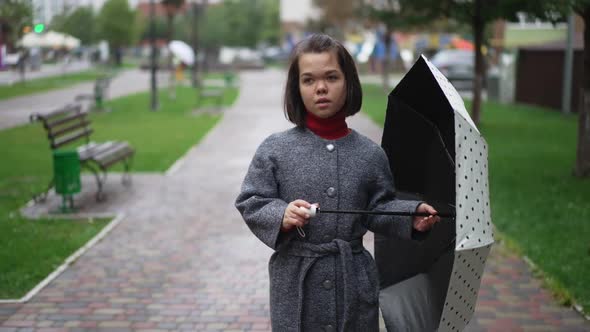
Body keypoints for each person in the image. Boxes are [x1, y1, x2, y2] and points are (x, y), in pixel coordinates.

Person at [235, 33, 440, 331]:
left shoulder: (370, 154)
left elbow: (378, 207)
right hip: (296, 283)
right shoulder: (275, 149)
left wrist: (411, 215)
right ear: (297, 87)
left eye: (331, 77)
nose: (321, 88)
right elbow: (251, 201)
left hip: (353, 281)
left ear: (349, 82)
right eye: (308, 80)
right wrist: (281, 214)